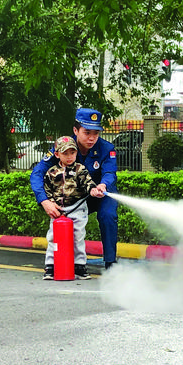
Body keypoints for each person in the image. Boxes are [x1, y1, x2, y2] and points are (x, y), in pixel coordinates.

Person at [31, 107, 119, 270]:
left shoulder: (107, 149)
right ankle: (63, 262)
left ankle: (110, 262)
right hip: (74, 196)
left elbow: (110, 172)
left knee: (108, 215)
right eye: (87, 132)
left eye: (96, 133)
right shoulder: (64, 147)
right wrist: (45, 201)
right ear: (75, 130)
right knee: (64, 222)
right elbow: (37, 173)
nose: (92, 138)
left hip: (101, 193)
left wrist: (102, 185)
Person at [40, 135, 103, 280]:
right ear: (57, 154)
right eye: (65, 153)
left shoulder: (80, 169)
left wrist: (93, 190)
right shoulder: (51, 173)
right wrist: (50, 202)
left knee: (78, 237)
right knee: (53, 237)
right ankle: (50, 266)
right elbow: (47, 189)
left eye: (72, 153)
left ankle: (79, 266)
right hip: (58, 209)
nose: (69, 157)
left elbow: (88, 182)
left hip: (77, 208)